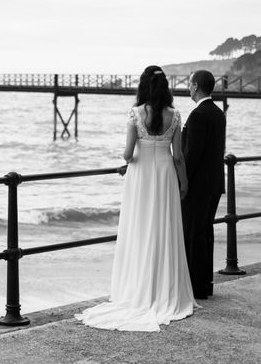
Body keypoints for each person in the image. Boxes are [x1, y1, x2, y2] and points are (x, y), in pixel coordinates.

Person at [75, 65, 196, 332]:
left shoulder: (134, 114)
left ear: (142, 87)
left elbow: (128, 153)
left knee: (139, 230)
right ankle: (164, 291)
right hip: (164, 175)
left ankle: (136, 290)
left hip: (140, 177)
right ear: (165, 88)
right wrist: (184, 182)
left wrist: (124, 159)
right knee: (164, 230)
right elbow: (178, 156)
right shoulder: (174, 115)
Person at [181, 70, 226, 300]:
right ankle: (206, 284)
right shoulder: (218, 113)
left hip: (198, 186)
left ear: (196, 86)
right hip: (215, 184)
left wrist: (182, 182)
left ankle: (197, 287)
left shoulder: (198, 115)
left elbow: (192, 155)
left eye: (190, 84)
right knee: (205, 233)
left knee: (194, 235)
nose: (188, 88)